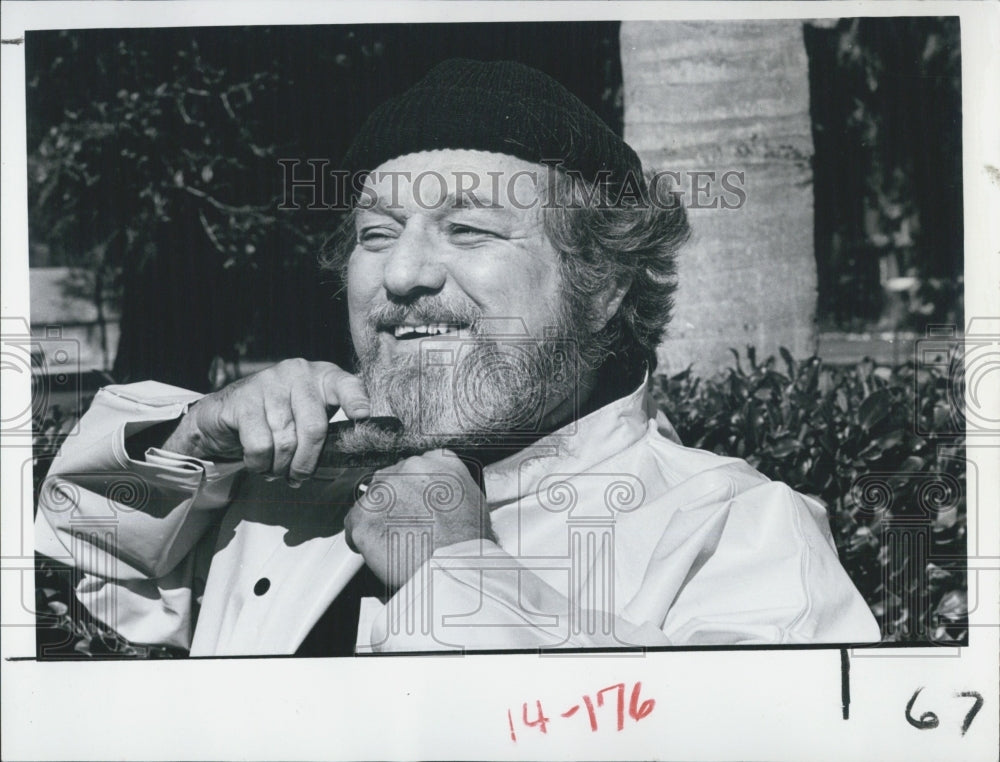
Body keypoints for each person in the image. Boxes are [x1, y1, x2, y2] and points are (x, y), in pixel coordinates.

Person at [35, 59, 880, 656]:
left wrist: (454, 574)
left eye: (468, 229)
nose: (400, 275)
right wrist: (193, 443)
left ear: (606, 283)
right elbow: (86, 556)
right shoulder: (285, 483)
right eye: (374, 234)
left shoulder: (733, 531)